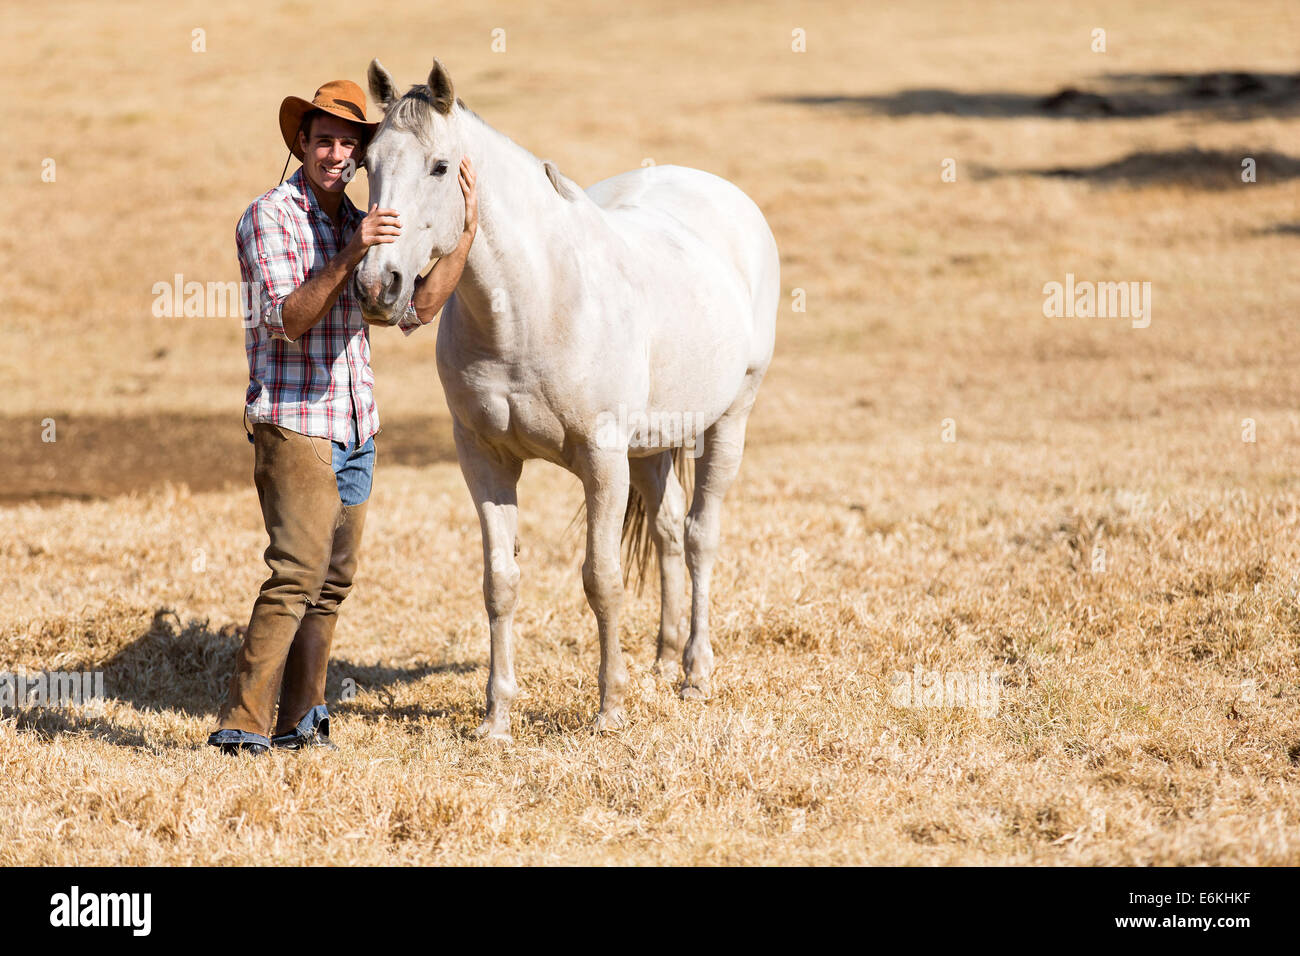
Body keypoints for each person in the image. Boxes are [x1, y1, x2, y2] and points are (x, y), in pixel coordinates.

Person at [208, 79, 478, 755]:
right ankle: (242, 724)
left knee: (331, 583)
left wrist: (467, 234)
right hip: (296, 422)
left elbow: (412, 313)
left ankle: (303, 720)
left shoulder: (350, 219)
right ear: (300, 143)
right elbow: (289, 321)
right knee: (296, 571)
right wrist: (353, 251)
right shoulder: (271, 217)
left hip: (356, 426)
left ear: (360, 156)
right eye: (323, 139)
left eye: (347, 144)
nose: (334, 153)